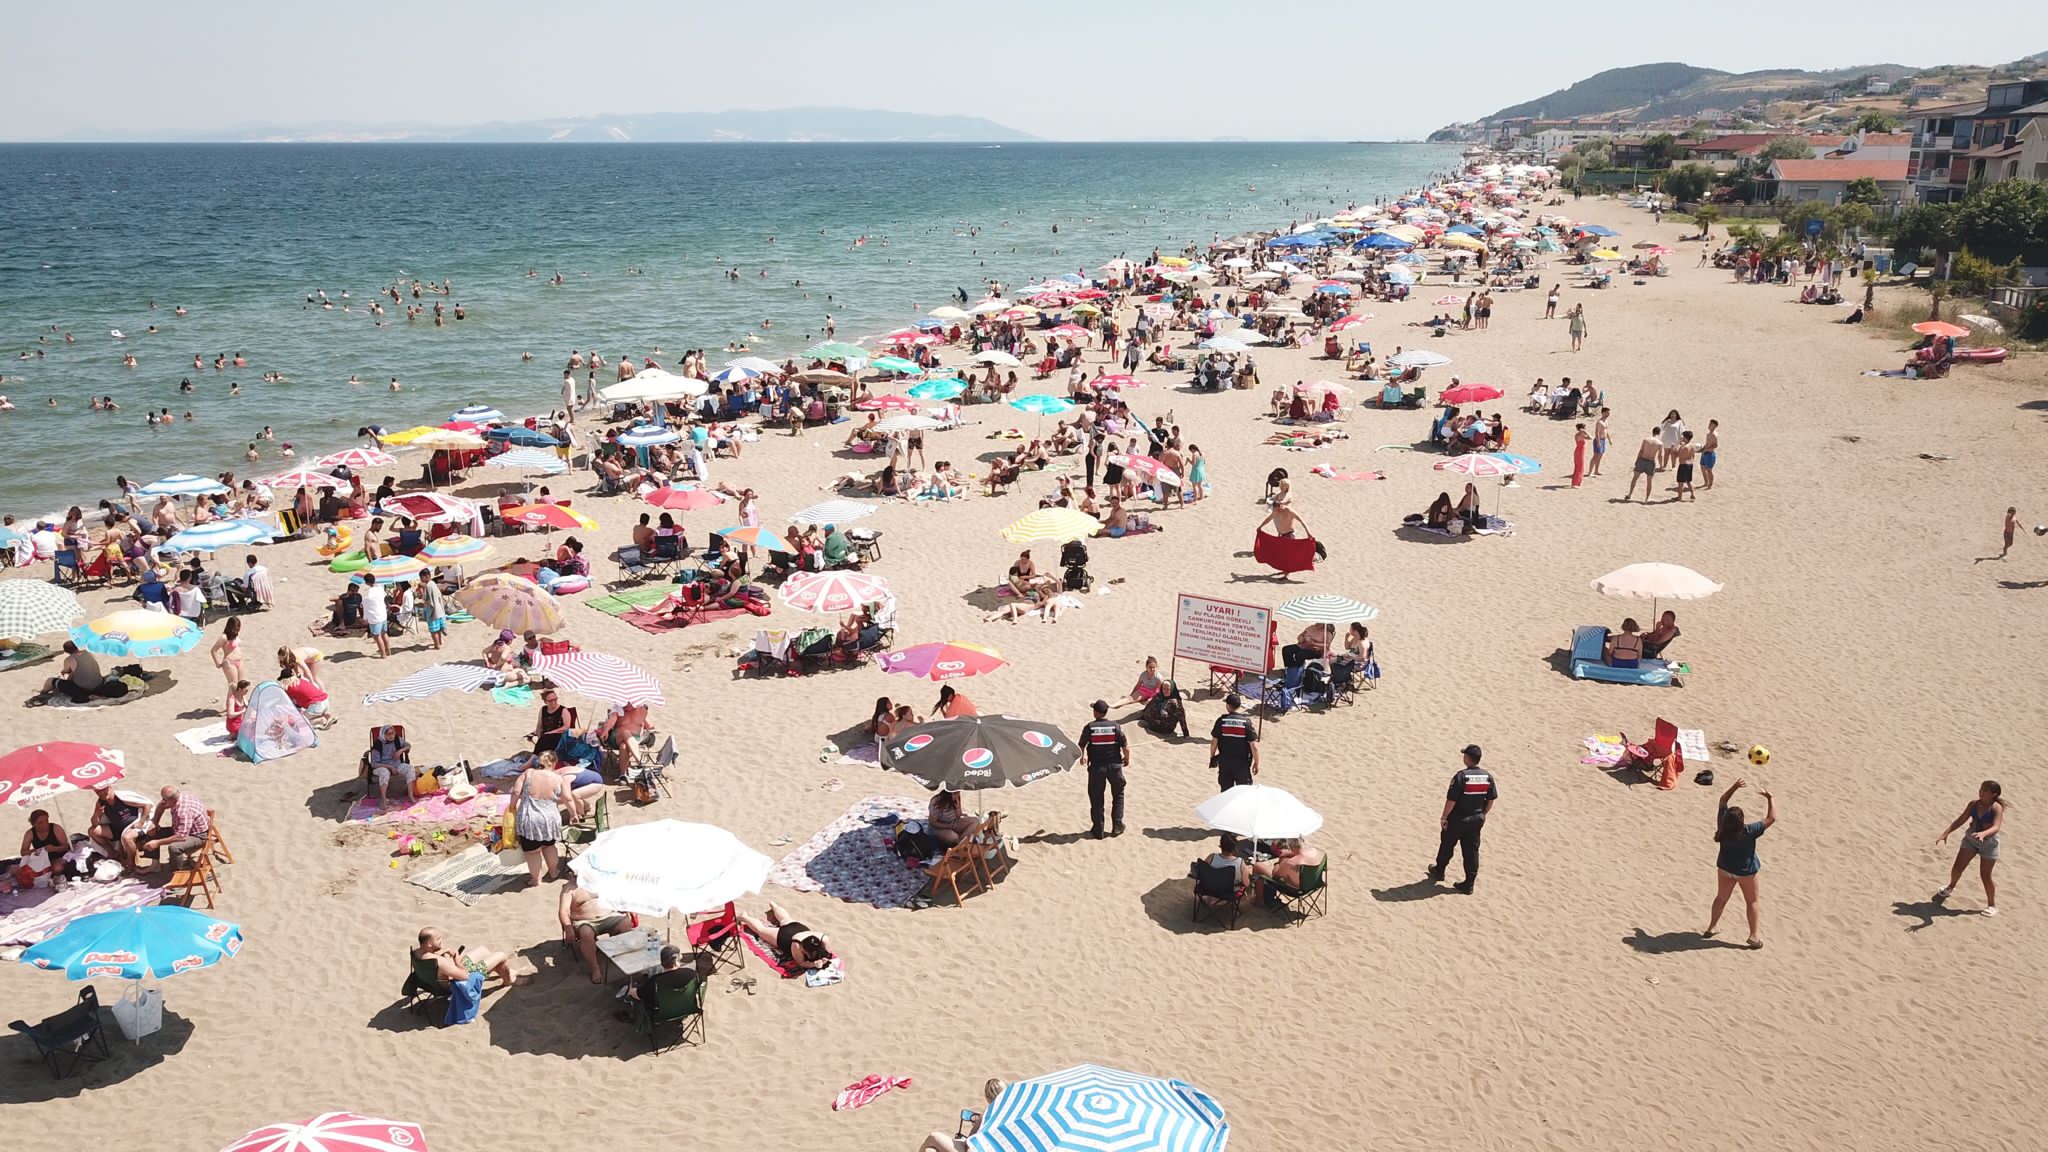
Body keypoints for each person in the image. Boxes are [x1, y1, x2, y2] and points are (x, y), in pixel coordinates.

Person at [1706, 778, 1776, 948]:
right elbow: (1771, 818)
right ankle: (1753, 936)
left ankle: (1711, 927)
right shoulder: (1749, 831)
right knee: (1752, 901)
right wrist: (1770, 798)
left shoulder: (1722, 826)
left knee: (1721, 898)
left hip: (1724, 868)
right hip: (1746, 872)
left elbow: (1723, 800)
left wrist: (1735, 787)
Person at [1429, 744, 1496, 894]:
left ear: (1467, 758)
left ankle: (1439, 871)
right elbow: (1491, 799)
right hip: (1476, 819)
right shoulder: (1487, 776)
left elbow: (1451, 800)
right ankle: (1469, 883)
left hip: (1458, 819)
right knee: (1471, 851)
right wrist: (1483, 814)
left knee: (1447, 844)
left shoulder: (1461, 776)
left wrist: (1444, 816)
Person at [1935, 780, 2005, 916]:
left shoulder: (1996, 808)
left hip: (1989, 844)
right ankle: (1950, 887)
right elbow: (1961, 819)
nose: (1981, 792)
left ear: (1994, 794)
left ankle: (1992, 905)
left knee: (1985, 875)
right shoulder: (1973, 804)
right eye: (1981, 789)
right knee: (1957, 868)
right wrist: (1946, 832)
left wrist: (1983, 834)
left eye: (1985, 790)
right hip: (1971, 840)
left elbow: (1996, 826)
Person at [510, 755, 571, 886]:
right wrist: (574, 813)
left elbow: (516, 791)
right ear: (553, 764)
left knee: (532, 852)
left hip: (530, 819)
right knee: (549, 846)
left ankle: (536, 879)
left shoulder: (528, 773)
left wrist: (512, 806)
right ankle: (554, 871)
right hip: (550, 819)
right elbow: (568, 798)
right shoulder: (558, 778)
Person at [560, 880, 635, 983]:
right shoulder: (569, 888)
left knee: (625, 923)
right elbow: (563, 911)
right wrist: (568, 928)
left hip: (608, 915)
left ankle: (622, 956)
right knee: (586, 933)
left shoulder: (600, 878)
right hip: (584, 920)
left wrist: (627, 908)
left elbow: (617, 897)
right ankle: (595, 968)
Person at [415, 926, 521, 994]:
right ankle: (509, 980)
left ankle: (503, 971)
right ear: (429, 944)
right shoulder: (439, 962)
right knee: (501, 955)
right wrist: (456, 959)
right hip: (455, 984)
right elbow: (465, 976)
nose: (441, 941)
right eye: (438, 939)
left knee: (482, 950)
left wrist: (444, 953)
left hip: (436, 981)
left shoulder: (416, 952)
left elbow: (437, 964)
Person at [915, 1080, 1008, 1152]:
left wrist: (977, 1125)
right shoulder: (1008, 1114)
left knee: (933, 1137)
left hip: (971, 1149)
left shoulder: (987, 1116)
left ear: (987, 1097)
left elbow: (970, 1144)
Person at [1081, 699, 1129, 839]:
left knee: (1096, 798)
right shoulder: (1116, 726)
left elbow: (1082, 745)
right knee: (1118, 795)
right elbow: (1125, 747)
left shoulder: (1090, 727)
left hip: (1097, 768)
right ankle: (1117, 825)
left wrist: (1082, 757)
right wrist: (1126, 759)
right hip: (1114, 767)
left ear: (1096, 712)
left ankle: (1098, 829)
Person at [738, 902, 834, 971]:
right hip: (785, 937)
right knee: (761, 930)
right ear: (803, 949)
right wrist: (813, 964)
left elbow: (829, 953)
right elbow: (801, 963)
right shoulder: (797, 945)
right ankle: (744, 917)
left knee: (785, 919)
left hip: (798, 928)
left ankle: (774, 906)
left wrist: (825, 959)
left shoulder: (824, 938)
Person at [136, 785, 211, 871]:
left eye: (165, 800)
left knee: (174, 848)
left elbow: (181, 836)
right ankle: (155, 866)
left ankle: (177, 871)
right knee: (152, 832)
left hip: (197, 836)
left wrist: (157, 843)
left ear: (172, 800)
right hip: (181, 828)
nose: (163, 801)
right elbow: (161, 806)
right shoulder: (180, 795)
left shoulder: (183, 812)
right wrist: (155, 823)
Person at [88, 783, 147, 869]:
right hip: (117, 828)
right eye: (98, 792)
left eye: (104, 791)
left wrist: (141, 822)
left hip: (132, 826)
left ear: (110, 788)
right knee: (92, 831)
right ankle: (112, 853)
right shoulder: (101, 802)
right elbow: (94, 823)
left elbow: (147, 805)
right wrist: (97, 814)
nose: (101, 794)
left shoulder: (122, 798)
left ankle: (131, 864)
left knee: (127, 838)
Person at [1209, 693, 1259, 792]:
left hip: (1225, 762)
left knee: (1226, 793)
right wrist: (1256, 763)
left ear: (1227, 705)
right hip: (1242, 764)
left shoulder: (1221, 721)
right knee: (1243, 793)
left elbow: (1214, 742)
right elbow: (1254, 746)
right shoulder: (1246, 723)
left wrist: (1212, 757)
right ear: (1239, 706)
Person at [39, 640, 104, 703]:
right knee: (75, 672)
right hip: (98, 685)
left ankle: (43, 692)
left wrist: (63, 672)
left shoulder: (69, 659)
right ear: (76, 646)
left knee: (50, 681)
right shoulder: (88, 653)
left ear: (66, 651)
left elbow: (66, 671)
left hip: (83, 689)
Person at [366, 724, 416, 806]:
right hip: (381, 766)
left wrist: (400, 751)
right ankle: (383, 799)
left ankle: (410, 795)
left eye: (393, 733)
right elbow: (374, 764)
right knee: (384, 772)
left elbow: (408, 745)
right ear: (383, 735)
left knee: (410, 769)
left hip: (396, 764)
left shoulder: (397, 739)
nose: (392, 736)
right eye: (389, 734)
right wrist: (390, 767)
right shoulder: (378, 745)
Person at [530, 688, 578, 757]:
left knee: (547, 738)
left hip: (559, 736)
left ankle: (530, 761)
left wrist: (551, 732)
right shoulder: (543, 709)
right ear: (545, 702)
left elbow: (566, 727)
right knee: (543, 739)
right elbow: (539, 726)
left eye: (555, 699)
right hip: (545, 737)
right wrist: (539, 737)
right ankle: (535, 758)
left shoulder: (563, 710)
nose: (554, 702)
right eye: (550, 701)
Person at [209, 615, 244, 691]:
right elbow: (214, 650)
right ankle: (230, 703)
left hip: (239, 661)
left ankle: (239, 702)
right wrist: (217, 663)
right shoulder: (224, 637)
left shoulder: (236, 635)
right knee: (233, 686)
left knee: (241, 685)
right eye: (236, 627)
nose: (237, 629)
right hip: (230, 662)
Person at [1625, 428, 1660, 502]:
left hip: (1642, 460)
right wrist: (1662, 465)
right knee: (1649, 481)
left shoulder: (1646, 440)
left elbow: (1641, 451)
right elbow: (1661, 455)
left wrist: (1637, 460)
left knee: (1635, 478)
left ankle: (1629, 494)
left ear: (1652, 432)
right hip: (1651, 461)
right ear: (1659, 433)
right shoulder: (1660, 443)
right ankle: (1647, 498)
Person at [1699, 419, 1719, 491]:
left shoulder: (1714, 435)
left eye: (1711, 424)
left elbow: (1715, 445)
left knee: (1709, 470)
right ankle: (1706, 482)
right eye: (1709, 424)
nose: (1709, 425)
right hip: (1705, 453)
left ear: (1715, 426)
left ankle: (1710, 485)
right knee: (1702, 467)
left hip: (1710, 454)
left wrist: (1706, 449)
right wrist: (1702, 449)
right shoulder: (1708, 434)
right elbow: (1707, 443)